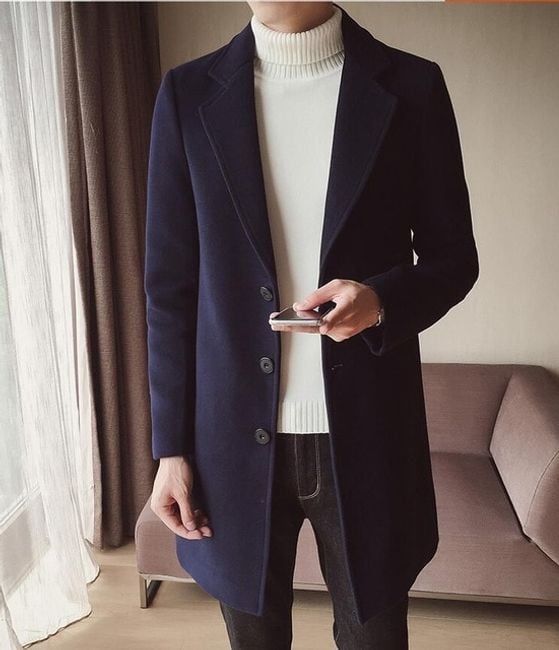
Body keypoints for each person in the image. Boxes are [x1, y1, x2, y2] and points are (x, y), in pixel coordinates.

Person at [145, 2, 479, 649]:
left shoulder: (412, 87)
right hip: (227, 443)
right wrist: (171, 448)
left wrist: (379, 300)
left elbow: (452, 260)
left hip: (370, 433)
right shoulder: (186, 95)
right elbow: (169, 291)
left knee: (374, 639)